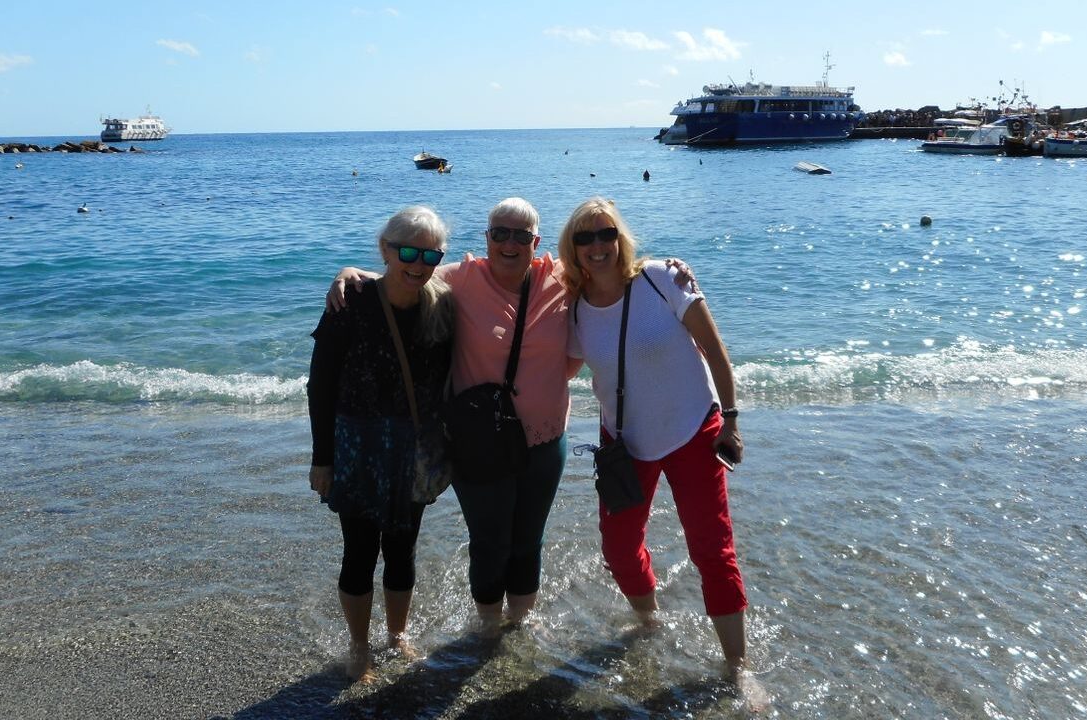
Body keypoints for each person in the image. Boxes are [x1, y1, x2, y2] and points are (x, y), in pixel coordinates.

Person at [329, 198, 580, 637]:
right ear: (486, 238)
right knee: (490, 541)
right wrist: (350, 272)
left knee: (528, 541)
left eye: (521, 235)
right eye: (500, 232)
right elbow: (407, 275)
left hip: (546, 437)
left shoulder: (560, 279)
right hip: (479, 439)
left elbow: (612, 273)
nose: (509, 242)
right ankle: (486, 630)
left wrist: (666, 268)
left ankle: (518, 630)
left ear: (536, 242)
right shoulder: (463, 278)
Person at [558, 197, 767, 706]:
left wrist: (732, 420)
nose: (596, 247)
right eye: (583, 239)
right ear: (572, 249)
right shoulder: (575, 309)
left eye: (605, 234)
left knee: (712, 551)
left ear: (619, 236)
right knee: (619, 548)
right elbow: (555, 366)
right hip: (625, 444)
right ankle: (649, 622)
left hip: (695, 431)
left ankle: (737, 668)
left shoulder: (661, 279)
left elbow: (715, 351)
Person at [307, 205, 454, 681]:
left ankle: (397, 636)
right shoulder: (349, 303)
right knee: (358, 550)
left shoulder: (442, 306)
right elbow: (320, 386)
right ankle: (359, 647)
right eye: (408, 251)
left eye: (431, 254)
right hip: (356, 449)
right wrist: (321, 459)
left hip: (414, 451)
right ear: (386, 250)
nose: (419, 263)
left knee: (403, 548)